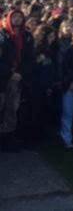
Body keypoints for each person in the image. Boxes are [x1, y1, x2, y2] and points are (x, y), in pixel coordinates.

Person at [0, 9, 35, 152]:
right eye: (14, 17)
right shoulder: (2, 35)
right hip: (2, 78)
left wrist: (20, 73)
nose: (17, 19)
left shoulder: (27, 36)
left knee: (12, 108)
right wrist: (9, 72)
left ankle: (7, 138)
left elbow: (29, 58)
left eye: (20, 17)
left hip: (18, 78)